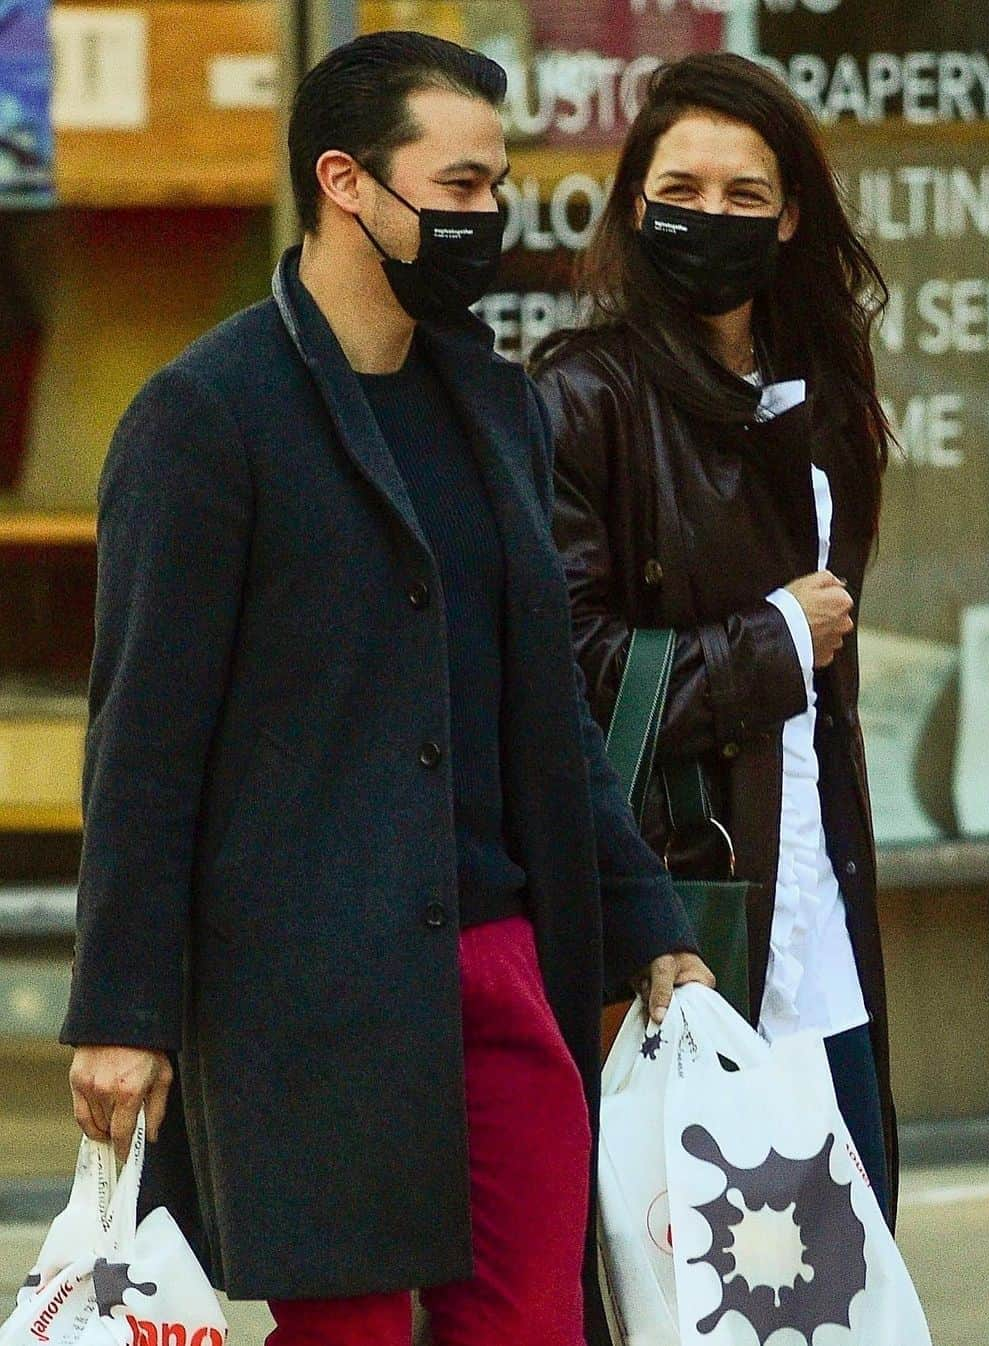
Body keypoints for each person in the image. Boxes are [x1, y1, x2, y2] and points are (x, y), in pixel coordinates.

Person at [60, 31, 712, 1346]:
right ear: (348, 182)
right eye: (462, 186)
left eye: (496, 182)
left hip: (502, 959)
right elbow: (144, 738)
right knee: (346, 1329)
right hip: (310, 985)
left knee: (534, 1319)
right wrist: (122, 1008)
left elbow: (549, 707)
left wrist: (647, 915)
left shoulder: (497, 404)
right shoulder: (207, 415)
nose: (490, 215)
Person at [531, 51, 898, 1223]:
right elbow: (569, 673)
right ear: (636, 203)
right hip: (683, 920)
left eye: (747, 195)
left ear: (792, 216)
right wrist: (776, 636)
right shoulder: (581, 396)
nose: (712, 216)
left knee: (843, 1268)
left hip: (819, 913)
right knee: (698, 1279)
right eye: (680, 189)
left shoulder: (824, 398)